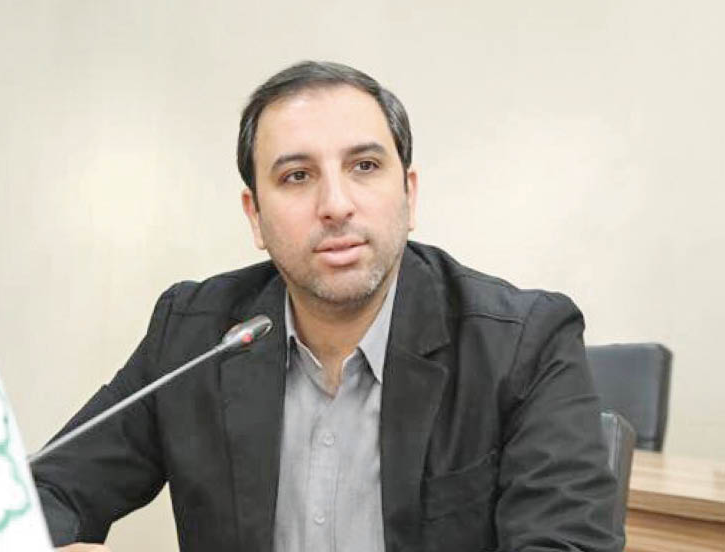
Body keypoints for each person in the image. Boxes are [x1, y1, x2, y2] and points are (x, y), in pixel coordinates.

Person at [31, 61, 620, 552]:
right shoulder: (195, 335)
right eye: (297, 176)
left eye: (365, 166)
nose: (336, 204)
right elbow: (41, 491)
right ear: (255, 216)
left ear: (409, 194)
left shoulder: (523, 344)